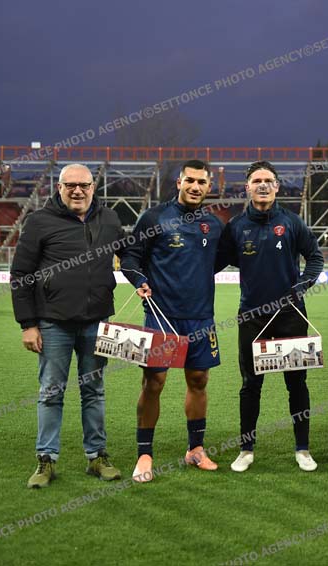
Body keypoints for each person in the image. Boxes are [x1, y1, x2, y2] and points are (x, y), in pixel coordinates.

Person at [11, 163, 124, 488]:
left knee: (94, 391)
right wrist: (28, 324)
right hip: (53, 323)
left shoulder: (110, 219)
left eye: (84, 185)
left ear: (93, 187)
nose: (77, 190)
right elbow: (20, 274)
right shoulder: (39, 221)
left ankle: (97, 456)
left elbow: (129, 254)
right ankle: (46, 459)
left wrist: (144, 277)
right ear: (59, 187)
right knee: (51, 392)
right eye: (70, 185)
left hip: (97, 322)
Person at [120, 159, 225, 482]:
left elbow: (217, 261)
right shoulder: (154, 218)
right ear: (179, 182)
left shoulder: (214, 224)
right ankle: (144, 455)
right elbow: (130, 257)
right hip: (161, 315)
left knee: (199, 380)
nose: (195, 186)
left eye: (202, 182)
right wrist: (140, 281)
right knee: (154, 382)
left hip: (201, 317)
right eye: (189, 180)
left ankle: (196, 449)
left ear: (209, 187)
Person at [218, 160, 324, 473]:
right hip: (251, 317)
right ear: (247, 188)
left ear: (277, 186)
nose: (262, 185)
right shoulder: (236, 226)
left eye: (268, 180)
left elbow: (315, 257)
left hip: (291, 314)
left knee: (297, 383)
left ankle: (303, 449)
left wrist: (302, 285)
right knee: (250, 384)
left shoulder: (291, 222)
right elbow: (215, 262)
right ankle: (246, 450)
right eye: (256, 181)